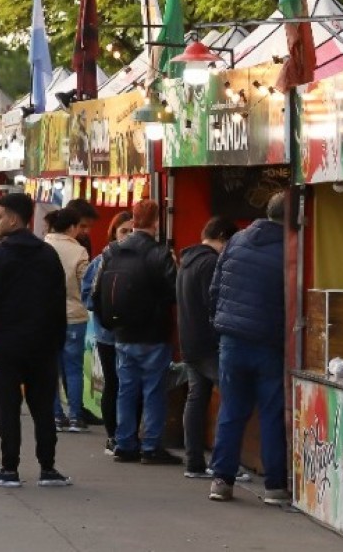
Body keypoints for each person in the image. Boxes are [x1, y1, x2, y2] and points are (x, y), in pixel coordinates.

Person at [0, 193, 71, 489]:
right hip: (43, 345)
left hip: (6, 345)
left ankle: (9, 468)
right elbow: (58, 303)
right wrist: (56, 341)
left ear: (14, 219)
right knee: (43, 407)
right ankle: (48, 468)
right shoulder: (47, 254)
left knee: (8, 407)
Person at [207, 193, 289, 505]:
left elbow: (215, 289)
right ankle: (275, 485)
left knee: (231, 410)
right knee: (271, 412)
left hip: (232, 340)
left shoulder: (236, 241)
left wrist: (220, 324)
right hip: (269, 342)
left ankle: (221, 480)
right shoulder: (289, 250)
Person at [92, 200, 178, 465]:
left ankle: (124, 443)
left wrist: (110, 323)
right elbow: (173, 291)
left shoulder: (111, 252)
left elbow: (96, 293)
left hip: (121, 332)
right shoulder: (160, 253)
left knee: (125, 389)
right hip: (152, 332)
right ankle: (151, 445)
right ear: (156, 223)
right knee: (153, 389)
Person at [177, 217, 237, 479]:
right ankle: (224, 464)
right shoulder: (211, 263)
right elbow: (214, 304)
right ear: (223, 236)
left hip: (189, 342)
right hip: (209, 344)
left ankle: (194, 462)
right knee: (233, 398)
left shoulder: (186, 262)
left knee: (196, 399)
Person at [82, 211, 135, 452]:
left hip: (135, 334)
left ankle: (129, 434)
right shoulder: (101, 260)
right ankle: (113, 435)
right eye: (124, 230)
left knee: (131, 385)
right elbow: (88, 297)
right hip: (108, 334)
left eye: (133, 231)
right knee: (113, 383)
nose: (128, 235)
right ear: (113, 232)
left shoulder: (143, 258)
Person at [43, 207, 92, 432]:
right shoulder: (79, 252)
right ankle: (75, 416)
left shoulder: (42, 247)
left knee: (50, 368)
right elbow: (87, 284)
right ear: (72, 227)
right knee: (73, 369)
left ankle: (55, 415)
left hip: (46, 316)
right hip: (74, 316)